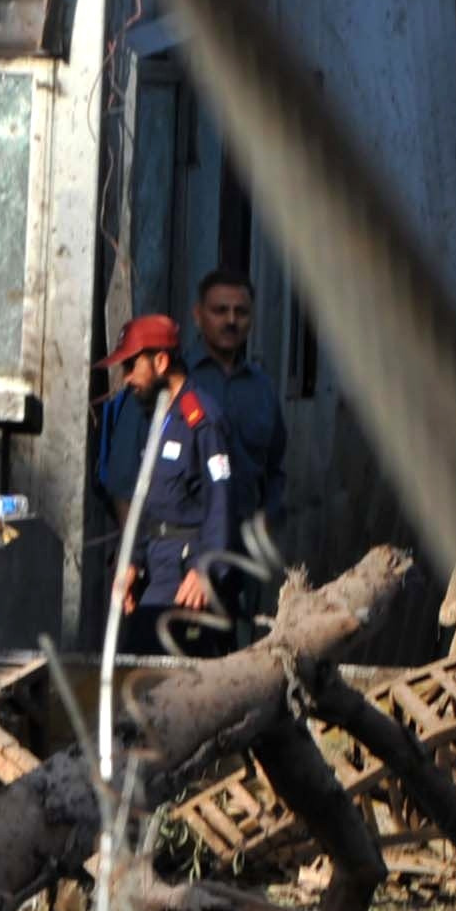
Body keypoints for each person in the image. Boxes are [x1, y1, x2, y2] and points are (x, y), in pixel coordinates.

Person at [101, 312, 242, 654]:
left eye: (131, 366)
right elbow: (150, 501)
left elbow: (223, 501)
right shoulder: (157, 417)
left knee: (157, 668)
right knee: (139, 663)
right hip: (157, 563)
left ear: (161, 362)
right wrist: (132, 562)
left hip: (188, 572)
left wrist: (205, 570)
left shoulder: (201, 419)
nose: (126, 378)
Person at [190, 266, 286, 559]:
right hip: (187, 547)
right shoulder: (179, 381)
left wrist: (267, 518)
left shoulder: (263, 389)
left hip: (245, 550)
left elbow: (274, 468)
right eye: (220, 310)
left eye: (241, 312)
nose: (231, 320)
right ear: (198, 315)